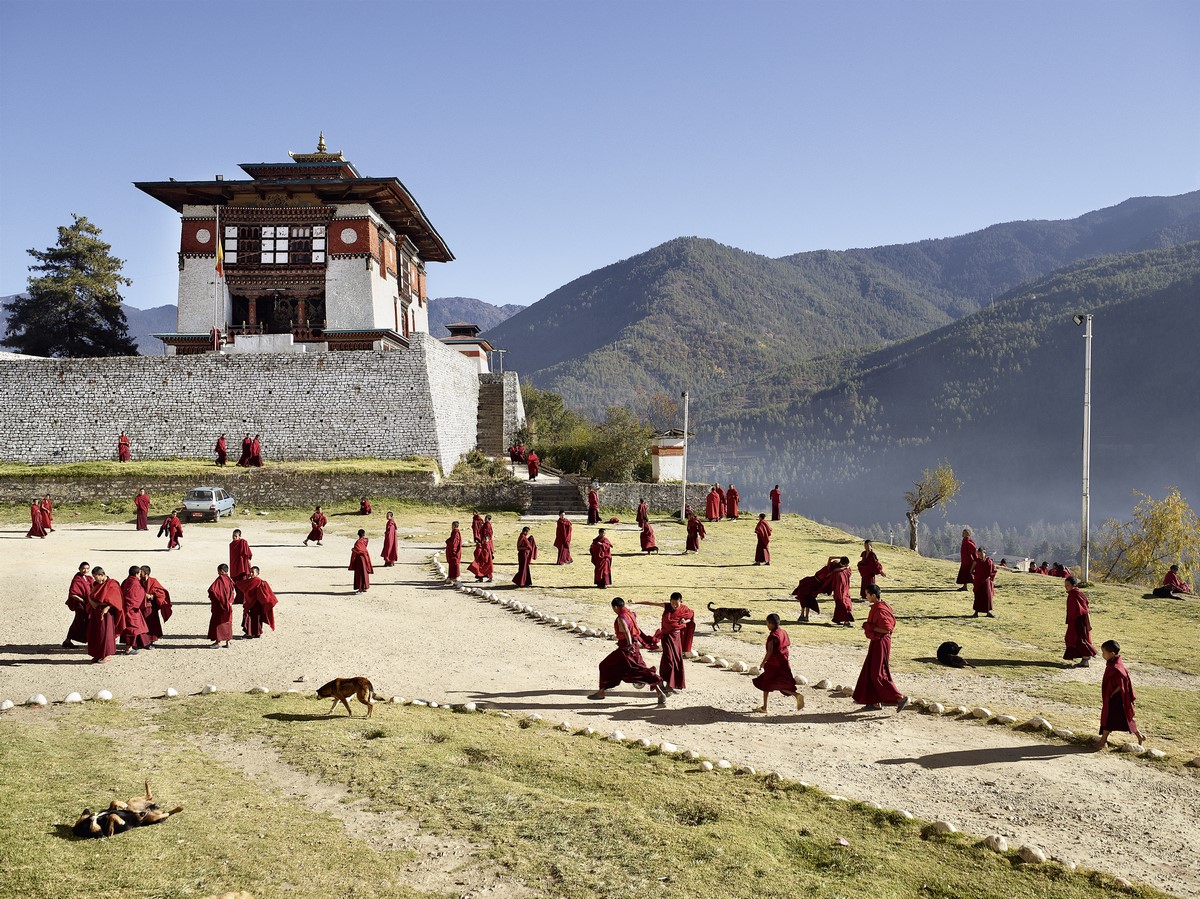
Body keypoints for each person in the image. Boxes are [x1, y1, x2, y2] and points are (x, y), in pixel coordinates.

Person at [588, 597, 668, 706]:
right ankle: (659, 692)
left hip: (626, 649)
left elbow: (627, 631)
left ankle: (601, 693)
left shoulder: (621, 618)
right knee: (638, 669)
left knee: (605, 665)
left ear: (615, 607)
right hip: (633, 647)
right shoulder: (630, 614)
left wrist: (629, 645)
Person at [852, 585, 910, 712]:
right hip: (877, 641)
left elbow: (887, 628)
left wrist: (870, 627)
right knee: (870, 669)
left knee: (877, 673)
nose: (866, 596)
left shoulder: (879, 609)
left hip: (881, 642)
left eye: (867, 594)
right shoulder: (883, 605)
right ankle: (875, 702)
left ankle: (900, 698)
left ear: (873, 595)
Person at [635, 593, 694, 691]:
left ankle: (670, 685)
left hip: (676, 637)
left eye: (677, 603)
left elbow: (690, 618)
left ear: (681, 602)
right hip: (666, 636)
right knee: (668, 658)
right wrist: (636, 602)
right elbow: (652, 603)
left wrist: (684, 621)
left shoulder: (684, 609)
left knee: (676, 660)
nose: (674, 605)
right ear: (670, 601)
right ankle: (661, 680)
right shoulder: (666, 606)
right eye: (673, 602)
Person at [1095, 640, 1146, 747]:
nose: (1103, 655)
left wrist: (1112, 694)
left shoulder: (1116, 668)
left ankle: (1102, 741)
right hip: (1115, 698)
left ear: (1112, 654)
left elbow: (1121, 685)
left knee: (1109, 719)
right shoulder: (1114, 663)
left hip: (1117, 698)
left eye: (1104, 652)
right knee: (1126, 719)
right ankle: (1139, 736)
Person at [751, 613, 804, 713]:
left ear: (771, 624)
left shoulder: (773, 636)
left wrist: (763, 662)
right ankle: (796, 695)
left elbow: (770, 652)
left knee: (766, 683)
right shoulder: (783, 632)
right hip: (783, 661)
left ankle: (764, 708)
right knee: (783, 683)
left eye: (767, 623)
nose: (767, 625)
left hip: (773, 663)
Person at [86, 567, 123, 664]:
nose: (95, 579)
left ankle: (107, 655)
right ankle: (98, 654)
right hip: (96, 611)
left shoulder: (112, 584)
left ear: (102, 575)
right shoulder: (96, 584)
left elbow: (117, 599)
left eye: (96, 577)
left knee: (105, 633)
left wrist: (107, 608)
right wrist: (91, 600)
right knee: (95, 633)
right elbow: (92, 595)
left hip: (106, 614)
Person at [1063, 576, 1097, 667]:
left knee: (1080, 640)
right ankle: (1084, 658)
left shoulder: (1077, 594)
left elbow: (1085, 609)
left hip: (1079, 621)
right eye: (1065, 585)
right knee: (1071, 639)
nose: (1066, 587)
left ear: (1074, 585)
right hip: (1074, 621)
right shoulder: (1072, 594)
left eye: (1068, 585)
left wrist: (1088, 623)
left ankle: (1086, 659)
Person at [119, 565, 150, 654]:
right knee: (133, 628)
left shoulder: (127, 581)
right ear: (136, 573)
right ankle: (128, 649)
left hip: (128, 608)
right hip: (132, 609)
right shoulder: (134, 583)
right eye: (139, 573)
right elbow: (132, 597)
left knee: (134, 627)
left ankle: (134, 645)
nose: (140, 575)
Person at [139, 565, 172, 647]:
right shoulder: (139, 581)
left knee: (151, 624)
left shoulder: (153, 581)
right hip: (141, 606)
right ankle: (142, 641)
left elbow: (161, 593)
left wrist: (151, 596)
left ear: (146, 573)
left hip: (151, 607)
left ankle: (150, 641)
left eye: (141, 572)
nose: (139, 574)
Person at [242, 566, 278, 638]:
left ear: (257, 573)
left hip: (257, 603)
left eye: (253, 572)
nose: (251, 573)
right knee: (252, 618)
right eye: (250, 572)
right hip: (250, 603)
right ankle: (253, 633)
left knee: (256, 618)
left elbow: (265, 594)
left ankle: (253, 633)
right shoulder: (249, 581)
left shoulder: (260, 582)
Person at [63, 562, 93, 648]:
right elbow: (73, 594)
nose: (85, 570)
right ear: (79, 568)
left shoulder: (89, 578)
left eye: (87, 568)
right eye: (83, 568)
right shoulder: (77, 579)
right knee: (80, 621)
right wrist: (82, 600)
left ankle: (68, 640)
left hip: (87, 603)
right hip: (80, 604)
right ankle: (68, 640)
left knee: (84, 621)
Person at [207, 563, 235, 648]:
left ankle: (217, 642)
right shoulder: (229, 580)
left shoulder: (220, 580)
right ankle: (228, 642)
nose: (218, 573)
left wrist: (222, 603)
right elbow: (232, 591)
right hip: (228, 605)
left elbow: (213, 590)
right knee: (227, 622)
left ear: (221, 571)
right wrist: (229, 602)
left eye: (218, 571)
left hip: (220, 606)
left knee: (217, 622)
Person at [828, 556, 854, 625]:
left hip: (845, 590)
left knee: (844, 606)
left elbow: (849, 572)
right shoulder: (837, 572)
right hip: (839, 592)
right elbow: (832, 570)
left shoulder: (845, 569)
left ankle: (837, 620)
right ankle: (846, 621)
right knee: (845, 606)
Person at [971, 547, 997, 618]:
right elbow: (971, 571)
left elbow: (993, 570)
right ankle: (976, 612)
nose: (980, 556)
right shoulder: (976, 561)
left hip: (986, 582)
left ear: (985, 553)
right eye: (978, 554)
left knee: (987, 597)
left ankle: (988, 612)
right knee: (978, 597)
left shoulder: (989, 561)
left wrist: (990, 578)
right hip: (978, 581)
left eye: (981, 554)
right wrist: (976, 576)